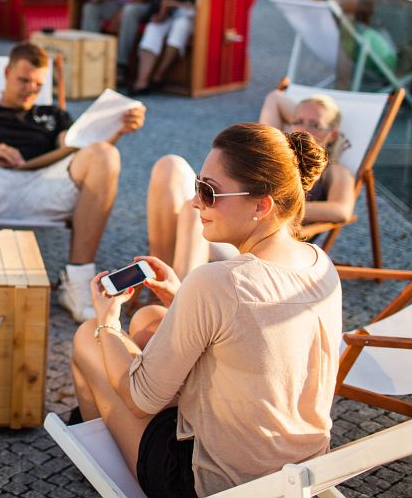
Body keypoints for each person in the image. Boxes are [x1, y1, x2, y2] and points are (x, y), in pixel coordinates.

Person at [69, 123, 341, 498]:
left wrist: (107, 321)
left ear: (261, 206)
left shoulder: (218, 281)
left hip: (213, 484)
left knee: (88, 339)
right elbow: (247, 329)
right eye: (199, 185)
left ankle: (108, 472)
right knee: (150, 319)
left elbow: (140, 398)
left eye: (209, 192)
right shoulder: (319, 263)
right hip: (298, 471)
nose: (196, 202)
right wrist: (182, 297)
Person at [0, 42, 146, 322]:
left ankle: (77, 282)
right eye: (23, 80)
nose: (30, 89)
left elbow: (79, 146)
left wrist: (118, 130)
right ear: (7, 72)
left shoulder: (53, 115)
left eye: (38, 84)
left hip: (44, 184)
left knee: (105, 154)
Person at [148, 89, 356, 279]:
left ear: (333, 133)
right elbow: (274, 98)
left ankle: (177, 302)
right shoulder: (277, 158)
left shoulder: (337, 172)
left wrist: (281, 206)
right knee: (170, 165)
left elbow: (342, 210)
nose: (304, 129)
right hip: (235, 217)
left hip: (254, 242)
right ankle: (159, 279)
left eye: (315, 124)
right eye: (298, 121)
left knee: (193, 211)